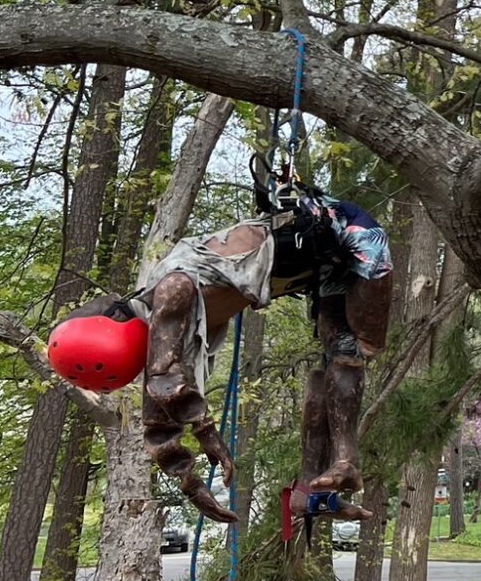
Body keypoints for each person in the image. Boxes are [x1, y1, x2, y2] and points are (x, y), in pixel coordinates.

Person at [129, 161, 392, 521]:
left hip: (344, 231)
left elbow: (164, 387)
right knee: (337, 359)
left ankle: (345, 462)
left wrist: (208, 441)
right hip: (314, 265)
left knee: (354, 349)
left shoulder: (170, 290)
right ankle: (312, 491)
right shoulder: (162, 334)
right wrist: (193, 485)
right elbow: (158, 416)